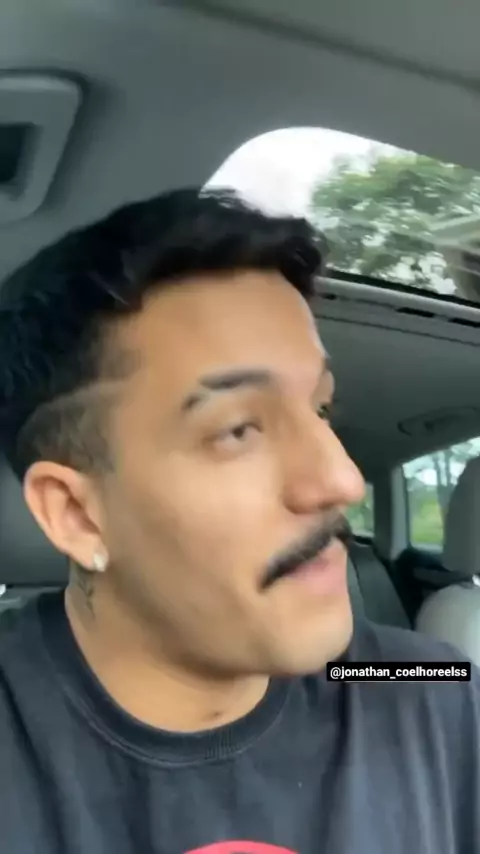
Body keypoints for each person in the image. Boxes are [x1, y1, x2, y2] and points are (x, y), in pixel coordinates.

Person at [0, 188, 478, 854]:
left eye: (321, 410)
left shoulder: (429, 687)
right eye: (238, 429)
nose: (342, 480)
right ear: (78, 513)